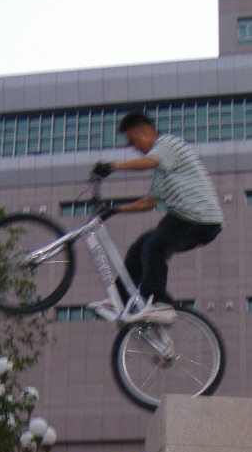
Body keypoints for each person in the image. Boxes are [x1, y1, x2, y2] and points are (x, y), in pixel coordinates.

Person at [90, 110, 223, 324]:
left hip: (198, 216)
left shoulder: (168, 144)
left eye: (133, 141)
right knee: (140, 247)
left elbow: (149, 162)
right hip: (192, 221)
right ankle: (119, 300)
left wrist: (112, 166)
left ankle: (160, 304)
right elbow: (149, 202)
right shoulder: (163, 170)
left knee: (154, 246)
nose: (134, 148)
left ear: (145, 130)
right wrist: (115, 210)